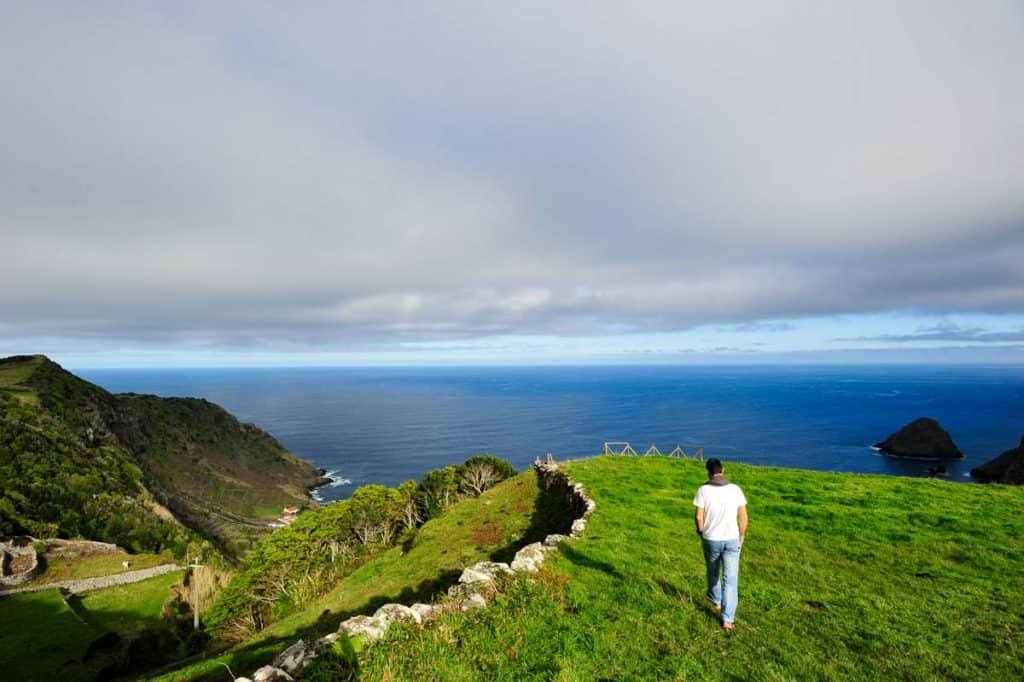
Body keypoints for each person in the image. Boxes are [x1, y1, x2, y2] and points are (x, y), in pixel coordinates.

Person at [693, 458, 748, 630]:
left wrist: (701, 531)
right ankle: (727, 620)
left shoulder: (703, 490)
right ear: (723, 470)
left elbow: (698, 517)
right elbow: (743, 516)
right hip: (732, 539)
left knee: (713, 570)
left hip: (711, 538)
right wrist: (742, 534)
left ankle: (715, 600)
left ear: (707, 471)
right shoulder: (735, 489)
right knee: (731, 579)